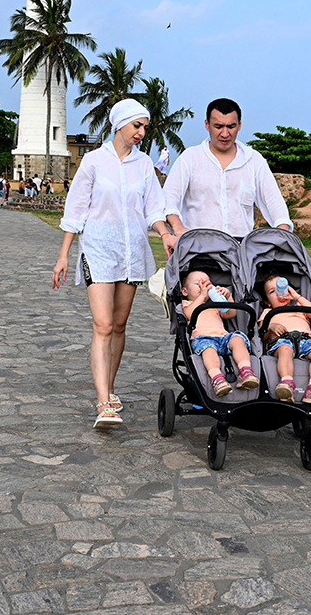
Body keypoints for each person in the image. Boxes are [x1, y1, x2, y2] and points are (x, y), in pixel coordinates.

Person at [52, 99, 177, 430]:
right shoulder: (93, 162)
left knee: (119, 326)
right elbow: (75, 210)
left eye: (145, 127)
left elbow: (153, 209)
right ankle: (103, 400)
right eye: (137, 125)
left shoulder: (145, 164)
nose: (141, 132)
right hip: (97, 250)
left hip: (131, 252)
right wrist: (65, 254)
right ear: (120, 124)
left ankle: (108, 387)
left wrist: (164, 233)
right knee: (103, 324)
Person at [163, 97, 292, 241]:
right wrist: (178, 227)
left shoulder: (254, 161)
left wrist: (283, 233)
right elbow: (169, 198)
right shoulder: (190, 158)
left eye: (231, 126)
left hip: (240, 248)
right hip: (197, 246)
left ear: (239, 125)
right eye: (218, 127)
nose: (225, 134)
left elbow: (274, 201)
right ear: (207, 125)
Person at [181, 270, 259, 398]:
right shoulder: (187, 304)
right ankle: (218, 378)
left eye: (207, 283)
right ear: (185, 291)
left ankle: (246, 371)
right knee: (209, 351)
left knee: (237, 339)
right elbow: (189, 314)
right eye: (198, 284)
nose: (204, 286)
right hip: (203, 339)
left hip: (223, 337)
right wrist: (202, 296)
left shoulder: (214, 305)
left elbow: (230, 314)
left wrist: (227, 298)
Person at [258, 274, 311, 405]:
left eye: (282, 288)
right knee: (285, 349)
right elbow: (262, 334)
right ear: (267, 301)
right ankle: (287, 383)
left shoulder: (300, 309)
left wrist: (296, 296)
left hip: (306, 341)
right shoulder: (268, 312)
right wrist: (271, 326)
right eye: (272, 291)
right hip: (282, 342)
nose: (279, 293)